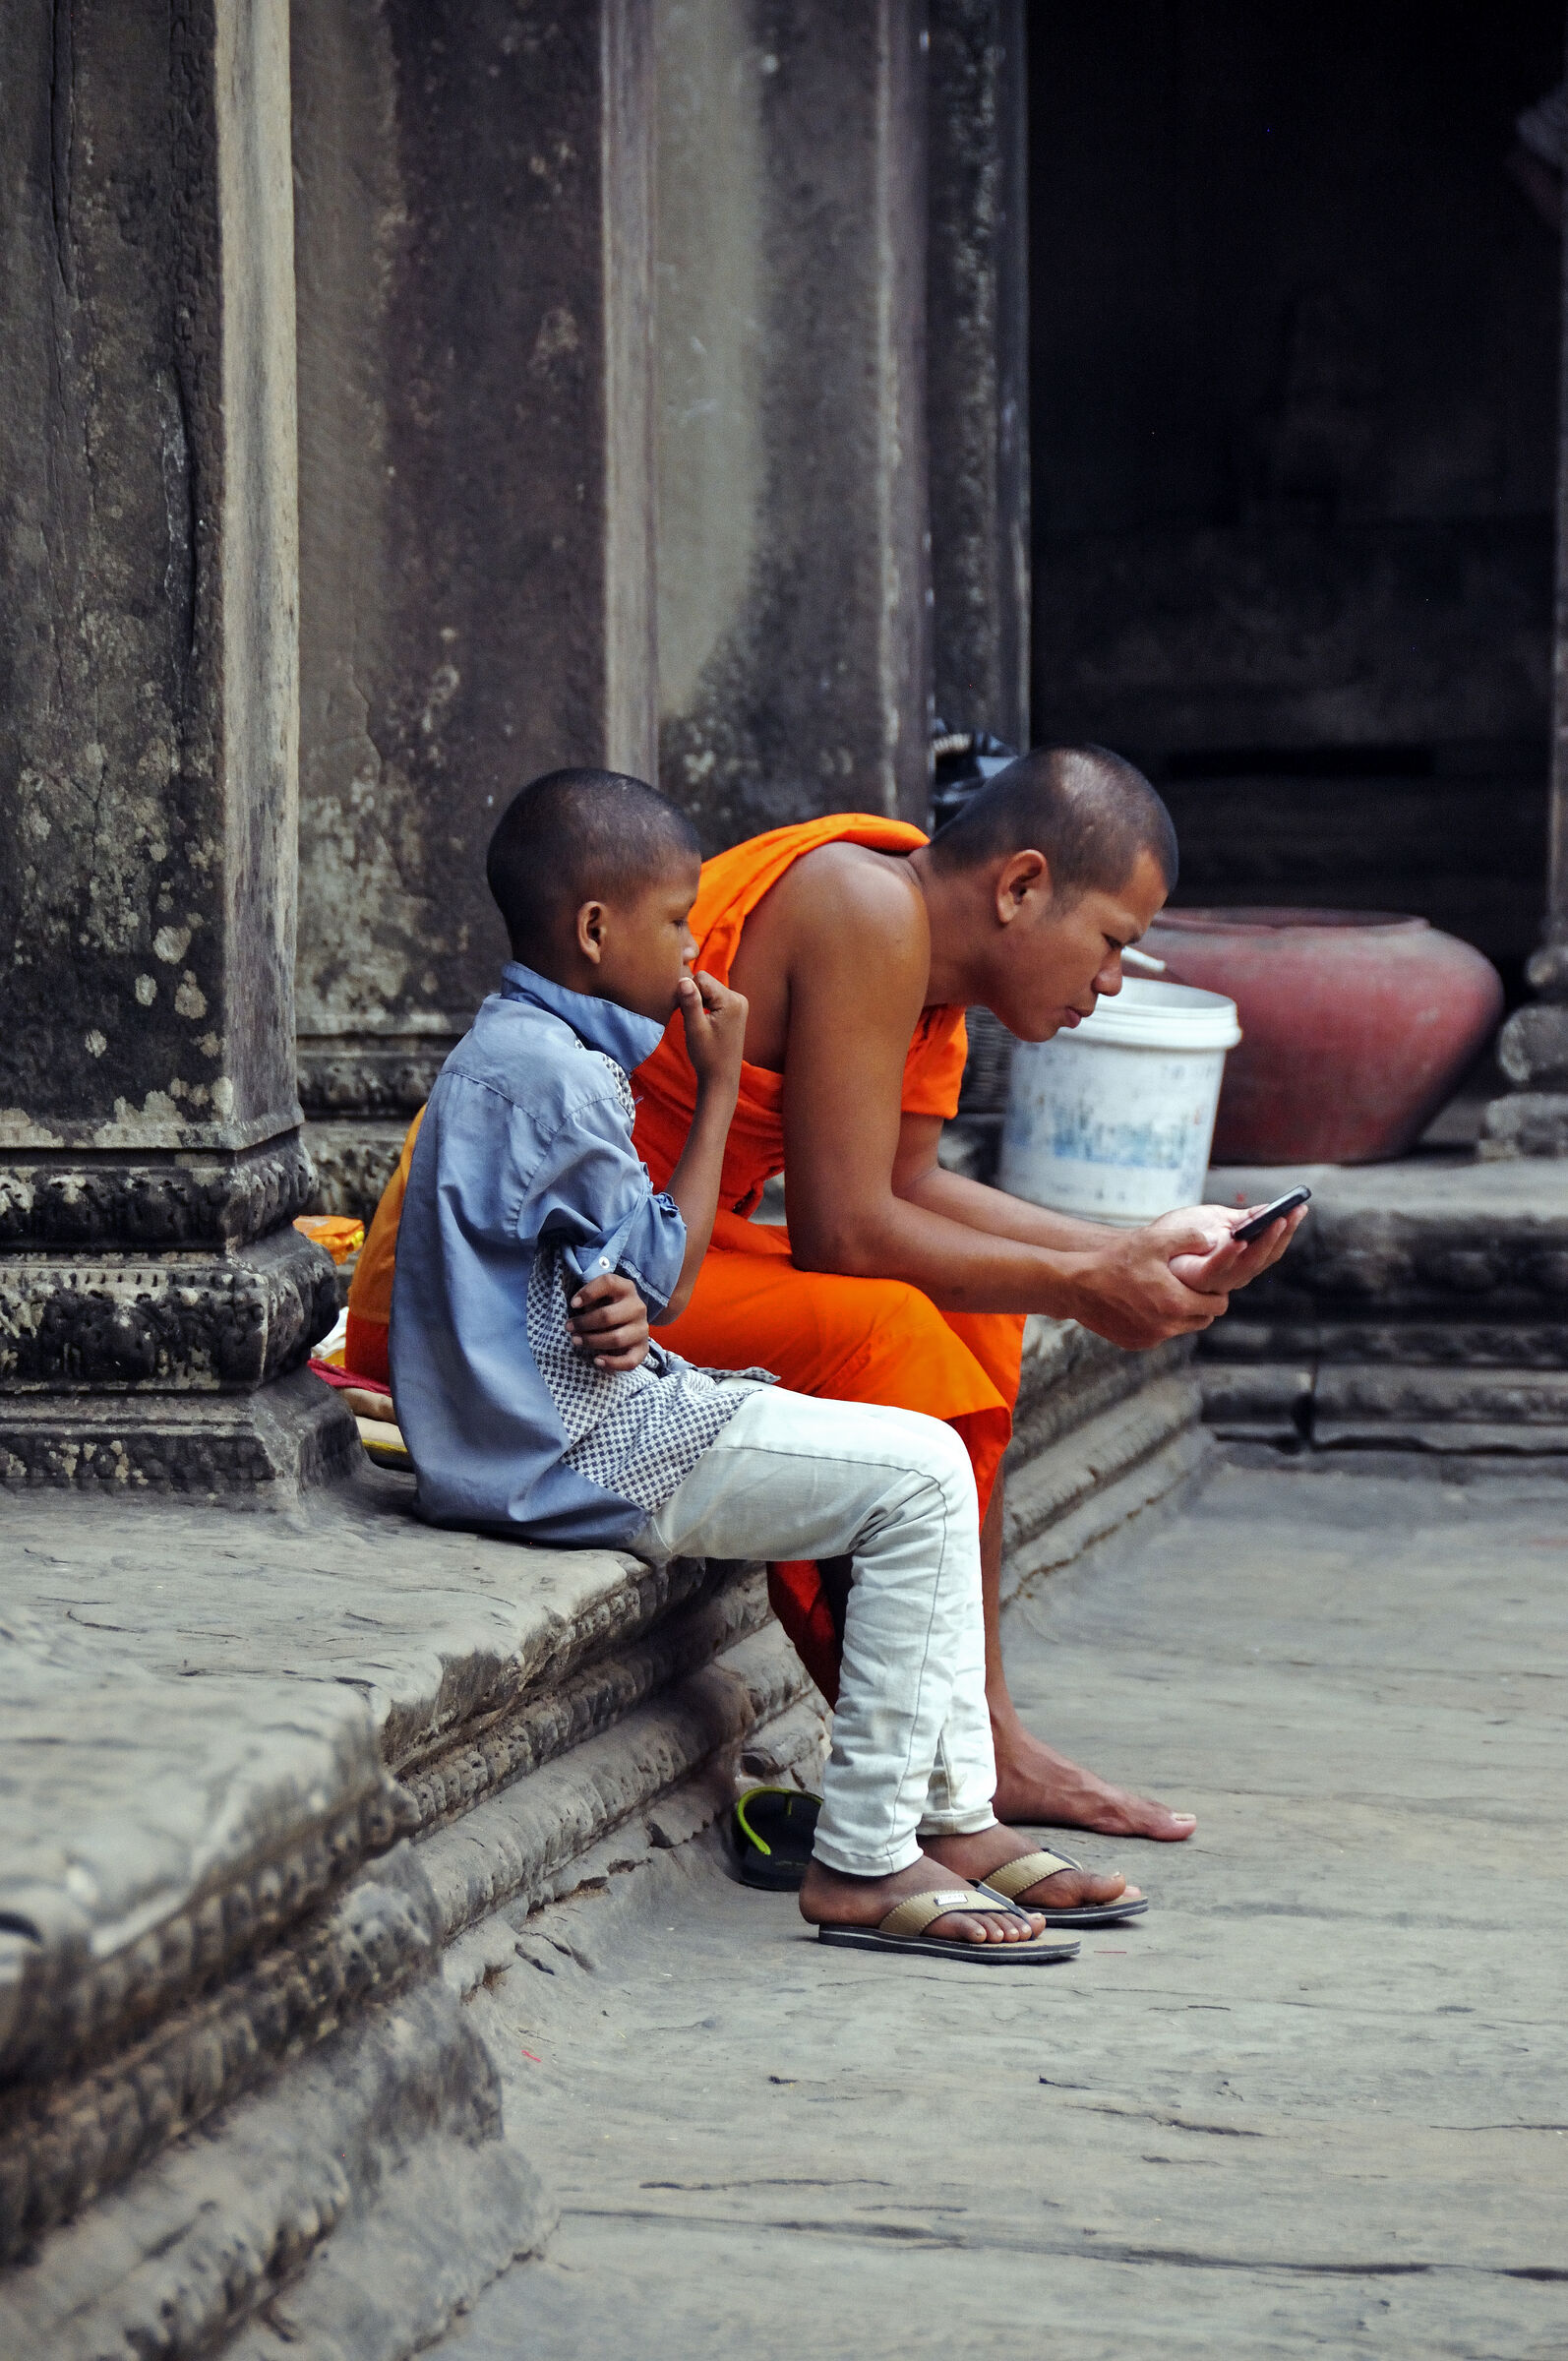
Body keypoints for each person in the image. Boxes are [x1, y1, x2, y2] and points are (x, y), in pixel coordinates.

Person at [353, 746, 1304, 1844]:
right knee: (890, 1336)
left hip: (645, 1259)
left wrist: (1124, 1248)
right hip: (500, 1297)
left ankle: (981, 1729)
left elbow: (903, 1188)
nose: (1111, 982)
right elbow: (846, 1231)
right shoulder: (864, 906)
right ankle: (931, 1773)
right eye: (1111, 944)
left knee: (979, 1309)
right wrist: (1091, 1280)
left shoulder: (933, 983)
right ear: (1021, 886)